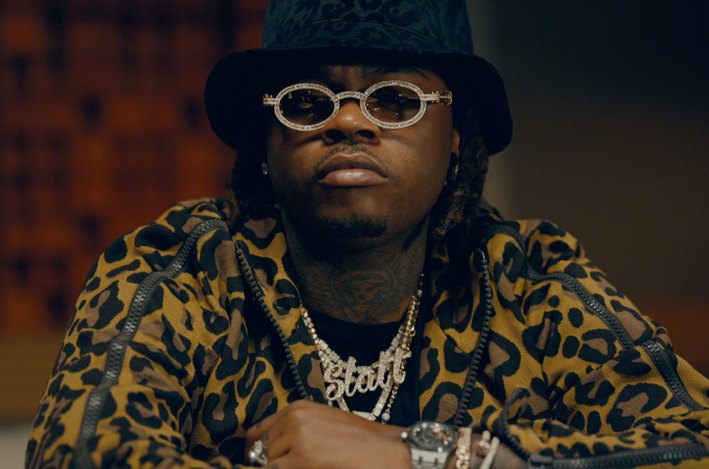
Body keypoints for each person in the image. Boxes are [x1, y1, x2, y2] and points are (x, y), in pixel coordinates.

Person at [26, 1, 708, 468]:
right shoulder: (183, 266)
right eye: (305, 102)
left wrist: (424, 455)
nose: (348, 121)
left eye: (394, 99)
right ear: (264, 144)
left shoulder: (525, 273)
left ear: (455, 140)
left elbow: (691, 440)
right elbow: (79, 456)